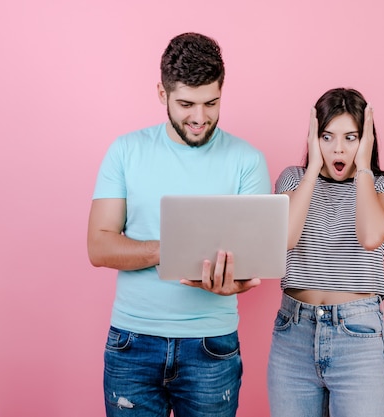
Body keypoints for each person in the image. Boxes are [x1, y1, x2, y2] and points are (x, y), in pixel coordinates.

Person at [87, 32, 271, 417]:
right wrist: (168, 251)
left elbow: (255, 257)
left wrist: (235, 282)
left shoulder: (247, 160)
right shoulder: (125, 151)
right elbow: (99, 246)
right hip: (133, 343)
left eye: (211, 103)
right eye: (186, 103)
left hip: (211, 346)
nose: (200, 118)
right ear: (161, 93)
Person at [267, 88, 384, 417]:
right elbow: (284, 237)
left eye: (351, 137)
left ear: (366, 140)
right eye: (327, 137)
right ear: (314, 138)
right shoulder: (294, 179)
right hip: (293, 334)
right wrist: (314, 167)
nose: (338, 148)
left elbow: (371, 235)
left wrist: (363, 170)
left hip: (357, 336)